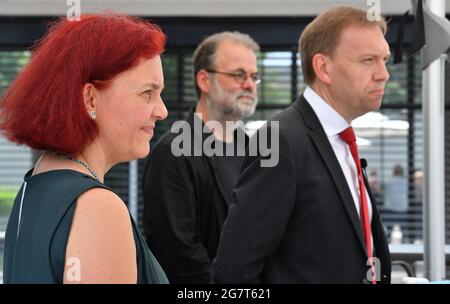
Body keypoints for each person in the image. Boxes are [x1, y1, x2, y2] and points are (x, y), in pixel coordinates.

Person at [212, 6, 391, 284]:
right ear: (323, 68)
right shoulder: (282, 141)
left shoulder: (342, 141)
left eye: (385, 60)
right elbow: (233, 272)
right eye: (368, 60)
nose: (383, 74)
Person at [0, 14, 169, 284]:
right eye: (147, 93)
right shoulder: (97, 207)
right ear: (90, 98)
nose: (162, 111)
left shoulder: (36, 183)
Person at [142, 31, 260, 283]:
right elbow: (177, 254)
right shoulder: (173, 153)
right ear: (204, 81)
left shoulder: (254, 150)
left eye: (254, 76)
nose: (249, 84)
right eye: (239, 75)